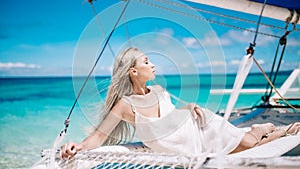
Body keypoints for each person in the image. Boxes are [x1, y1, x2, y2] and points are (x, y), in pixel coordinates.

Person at [61, 47, 300, 159]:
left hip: (199, 127)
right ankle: (261, 130)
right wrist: (77, 146)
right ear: (134, 71)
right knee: (246, 144)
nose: (152, 65)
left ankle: (272, 130)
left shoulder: (158, 89)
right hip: (187, 146)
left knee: (248, 145)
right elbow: (98, 137)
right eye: (147, 61)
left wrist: (189, 107)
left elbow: (171, 116)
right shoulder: (126, 105)